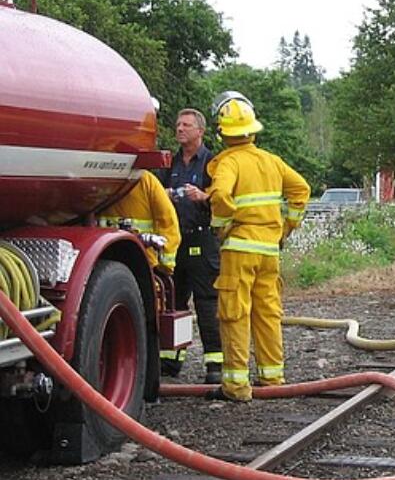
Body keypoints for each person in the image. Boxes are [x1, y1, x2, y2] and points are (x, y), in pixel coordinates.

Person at [206, 92, 310, 402]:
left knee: (234, 313)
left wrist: (221, 227)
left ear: (221, 131)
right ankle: (272, 377)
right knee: (267, 312)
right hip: (269, 251)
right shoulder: (271, 161)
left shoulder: (228, 163)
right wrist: (286, 228)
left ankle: (237, 386)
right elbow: (301, 190)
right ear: (252, 129)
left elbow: (221, 197)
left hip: (239, 249)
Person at [160, 107, 223, 385]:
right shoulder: (169, 164)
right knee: (175, 303)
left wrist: (204, 196)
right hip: (176, 240)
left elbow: (224, 198)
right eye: (178, 124)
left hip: (202, 239)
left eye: (186, 125)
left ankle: (215, 365)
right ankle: (171, 362)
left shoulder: (213, 163)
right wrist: (164, 196)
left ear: (200, 130)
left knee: (206, 303)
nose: (180, 129)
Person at [97, 170, 181, 275]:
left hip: (106, 257)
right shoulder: (146, 181)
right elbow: (168, 222)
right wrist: (165, 266)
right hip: (144, 260)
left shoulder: (98, 180)